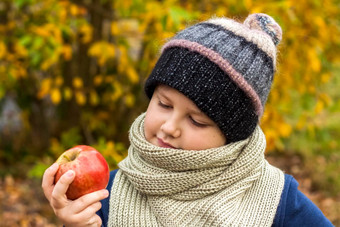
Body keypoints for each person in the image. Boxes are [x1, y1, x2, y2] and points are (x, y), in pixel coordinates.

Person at [42, 13, 334, 226]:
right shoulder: (108, 195)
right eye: (164, 104)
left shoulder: (278, 203)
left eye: (196, 121)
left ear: (232, 135)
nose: (169, 127)